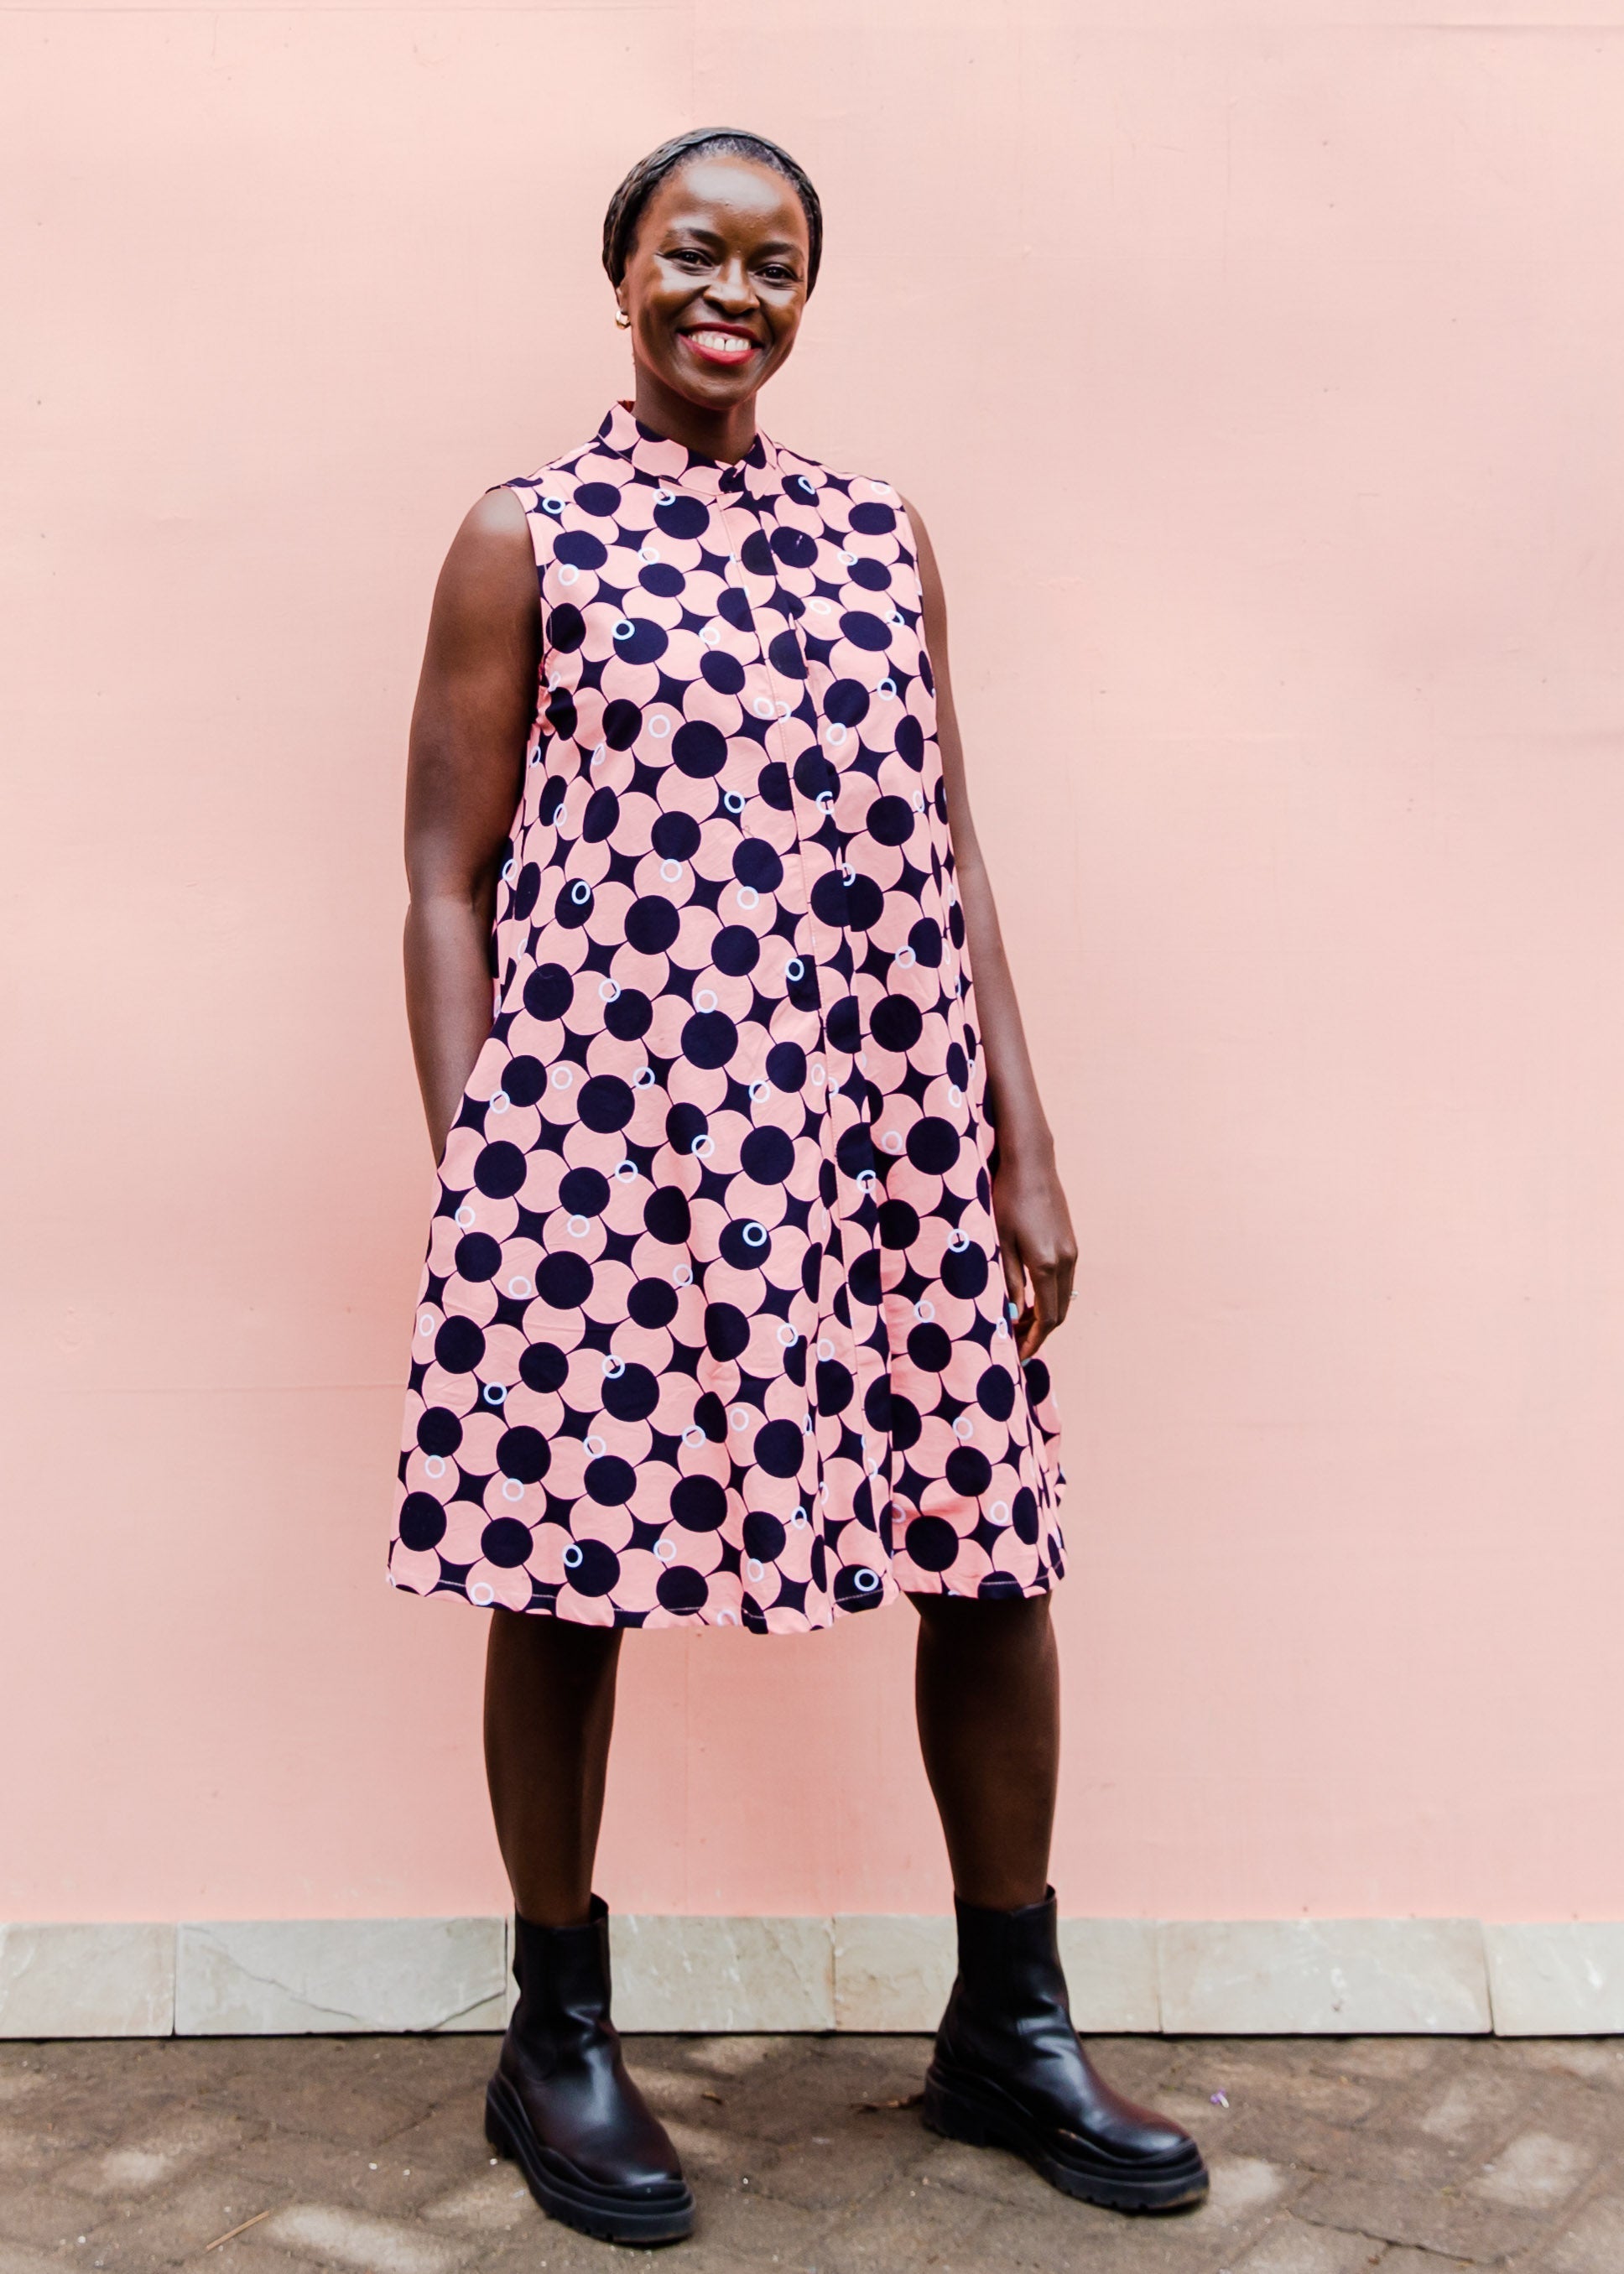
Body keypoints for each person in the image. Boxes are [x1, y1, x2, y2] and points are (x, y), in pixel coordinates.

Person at [391, 126, 1207, 2247]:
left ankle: (1006, 2022)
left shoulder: (876, 537)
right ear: (624, 273)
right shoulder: (525, 534)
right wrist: (484, 1156)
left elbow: (949, 852)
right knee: (559, 1559)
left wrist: (1021, 1137)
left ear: (802, 295)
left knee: (988, 1540)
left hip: (881, 1124)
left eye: (770, 262)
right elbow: (438, 875)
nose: (727, 292)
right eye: (691, 253)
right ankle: (552, 2037)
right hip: (608, 1132)